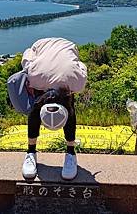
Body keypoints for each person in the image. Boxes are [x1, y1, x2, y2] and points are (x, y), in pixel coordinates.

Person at [20, 37, 87, 180]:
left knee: (64, 109)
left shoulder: (76, 83)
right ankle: (31, 152)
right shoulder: (35, 76)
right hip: (39, 46)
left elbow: (81, 66)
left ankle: (70, 153)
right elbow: (28, 53)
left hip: (69, 48)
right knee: (35, 109)